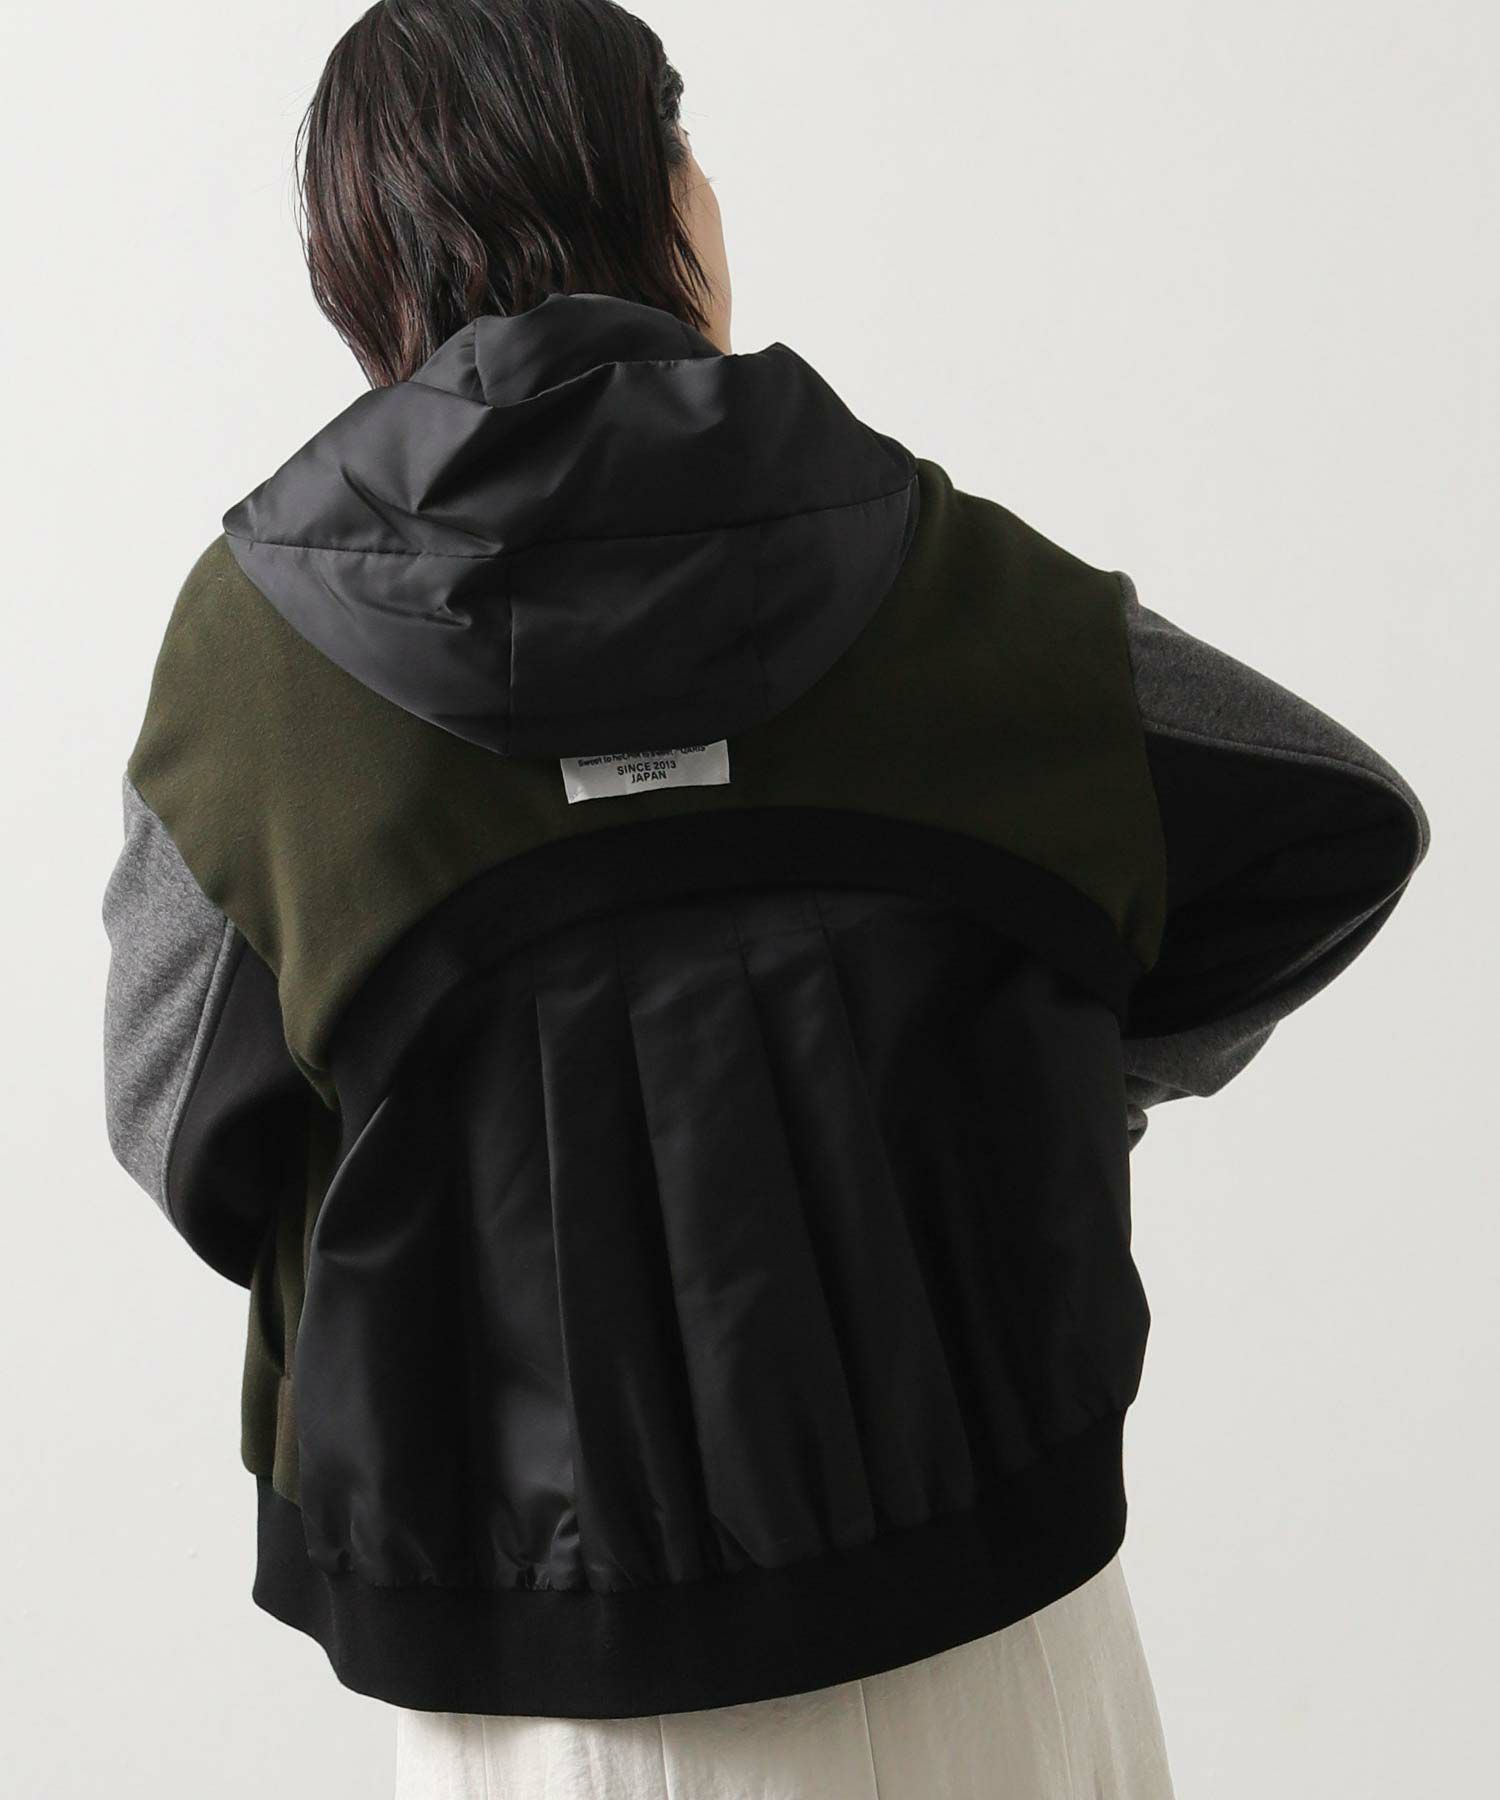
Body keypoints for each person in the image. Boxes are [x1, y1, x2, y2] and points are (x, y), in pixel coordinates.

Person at [100, 2, 1430, 1795]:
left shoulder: (258, 662)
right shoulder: (929, 571)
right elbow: (1326, 822)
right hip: (995, 1630)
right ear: (662, 191)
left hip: (533, 1684)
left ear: (363, 266)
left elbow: (178, 1114)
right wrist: (1040, 1074)